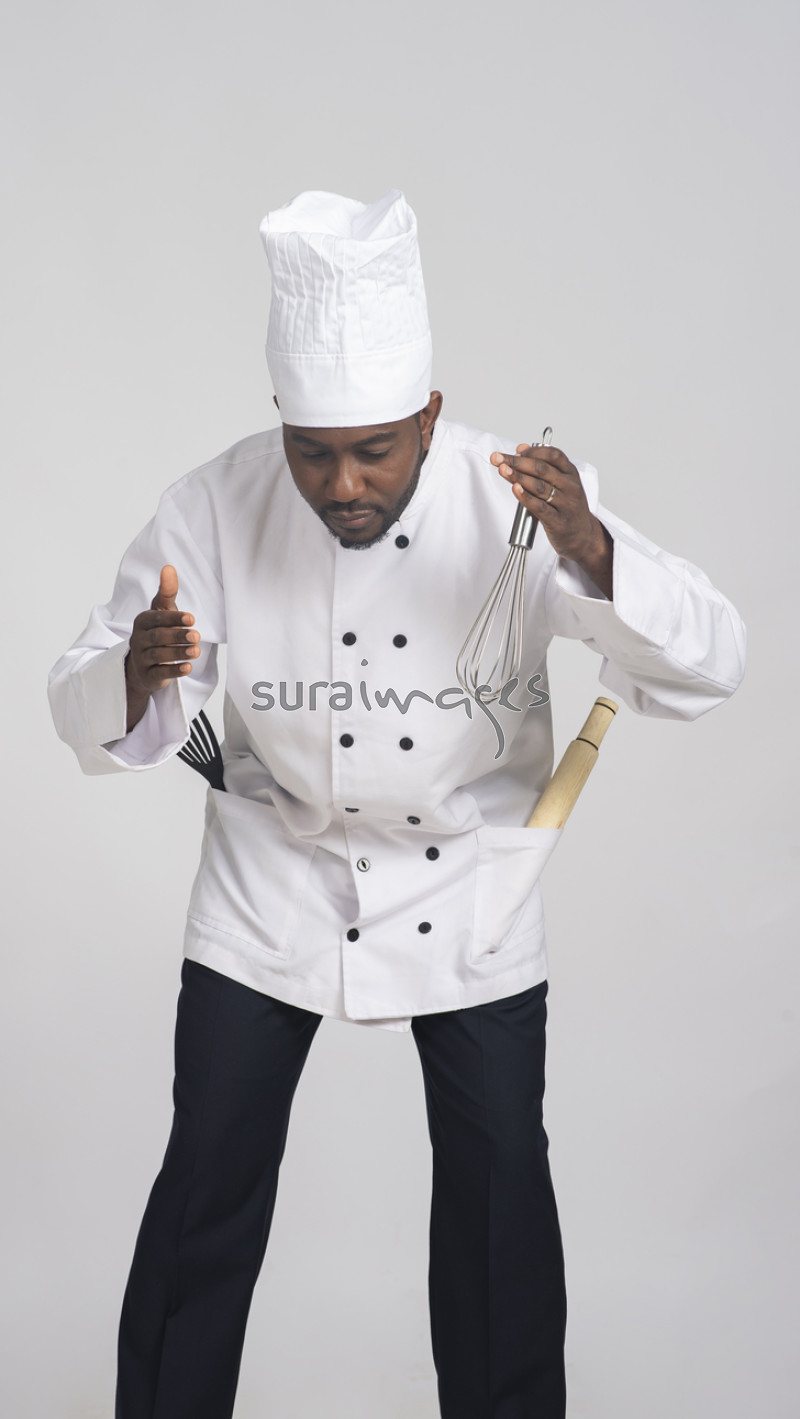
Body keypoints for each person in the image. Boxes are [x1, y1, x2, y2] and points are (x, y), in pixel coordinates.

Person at [48, 188, 746, 1419]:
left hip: (469, 888)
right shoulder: (212, 503)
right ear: (280, 423)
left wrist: (591, 551)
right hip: (270, 881)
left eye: (373, 449)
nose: (343, 483)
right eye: (312, 452)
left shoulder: (518, 498)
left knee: (498, 1206)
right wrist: (137, 674)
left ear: (427, 413)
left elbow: (709, 662)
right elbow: (83, 696)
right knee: (204, 1187)